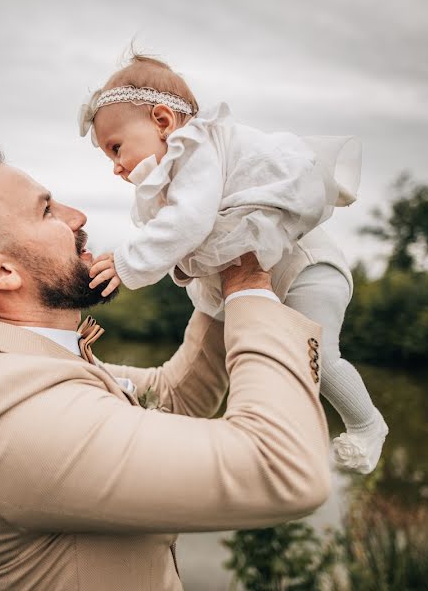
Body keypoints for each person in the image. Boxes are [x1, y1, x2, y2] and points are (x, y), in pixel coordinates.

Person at [0, 140, 332, 590]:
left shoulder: (23, 366)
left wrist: (222, 269)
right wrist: (250, 286)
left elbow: (175, 395)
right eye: (47, 211)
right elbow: (284, 468)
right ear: (0, 271)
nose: (77, 217)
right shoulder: (12, 409)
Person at [79, 54, 388, 474]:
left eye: (116, 148)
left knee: (318, 358)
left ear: (164, 121)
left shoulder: (197, 148)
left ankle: (367, 424)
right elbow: (185, 235)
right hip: (254, 280)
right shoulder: (177, 175)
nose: (115, 167)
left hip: (307, 270)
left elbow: (188, 223)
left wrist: (126, 263)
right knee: (249, 351)